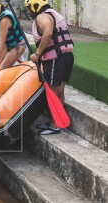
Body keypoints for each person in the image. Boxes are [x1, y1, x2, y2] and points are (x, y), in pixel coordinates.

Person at [25, 0, 74, 135]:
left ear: (35, 7)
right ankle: (56, 122)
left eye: (29, 9)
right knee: (59, 91)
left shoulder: (41, 17)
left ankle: (54, 125)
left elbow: (47, 33)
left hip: (55, 59)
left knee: (53, 93)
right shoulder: (51, 14)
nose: (29, 12)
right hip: (67, 56)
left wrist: (37, 53)